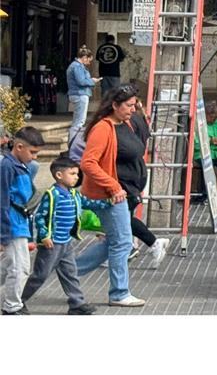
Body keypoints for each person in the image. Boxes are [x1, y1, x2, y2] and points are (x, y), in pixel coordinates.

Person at [76, 85, 145, 306]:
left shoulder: (124, 123)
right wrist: (113, 186)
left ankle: (69, 270)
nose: (132, 109)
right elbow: (88, 163)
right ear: (114, 105)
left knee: (116, 242)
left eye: (134, 105)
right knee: (122, 242)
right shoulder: (103, 128)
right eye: (129, 105)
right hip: (110, 195)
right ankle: (119, 293)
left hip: (123, 192)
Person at [20, 157, 105, 314]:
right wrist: (44, 236)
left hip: (66, 243)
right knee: (40, 275)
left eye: (77, 174)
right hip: (51, 244)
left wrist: (109, 202)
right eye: (72, 173)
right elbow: (40, 216)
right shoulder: (52, 195)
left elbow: (89, 203)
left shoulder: (74, 194)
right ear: (59, 175)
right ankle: (18, 301)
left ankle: (77, 304)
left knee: (70, 273)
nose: (76, 177)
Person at [111, 100, 169, 270]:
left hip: (128, 178)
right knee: (122, 218)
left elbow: (132, 149)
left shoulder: (129, 124)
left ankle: (150, 242)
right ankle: (131, 246)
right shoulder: (139, 121)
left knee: (123, 218)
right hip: (134, 175)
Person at [1, 127, 44, 315]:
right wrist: (2, 234)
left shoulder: (20, 165)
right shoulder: (7, 167)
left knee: (7, 266)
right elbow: (2, 201)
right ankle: (12, 307)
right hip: (11, 225)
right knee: (20, 268)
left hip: (18, 223)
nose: (34, 157)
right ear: (19, 147)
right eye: (32, 152)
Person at [192, 101, 217, 205]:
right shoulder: (199, 123)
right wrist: (209, 140)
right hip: (202, 154)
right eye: (212, 118)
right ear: (207, 115)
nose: (214, 120)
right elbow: (195, 143)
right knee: (207, 168)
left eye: (215, 118)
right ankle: (204, 196)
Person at [66, 46, 97, 147]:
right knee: (80, 121)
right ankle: (74, 143)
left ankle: (72, 142)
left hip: (76, 93)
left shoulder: (75, 66)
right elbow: (81, 81)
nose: (89, 63)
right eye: (89, 60)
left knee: (77, 120)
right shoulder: (77, 67)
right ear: (84, 57)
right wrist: (92, 81)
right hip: (80, 94)